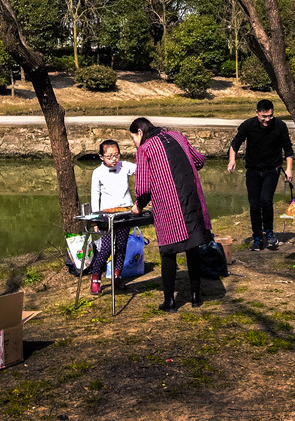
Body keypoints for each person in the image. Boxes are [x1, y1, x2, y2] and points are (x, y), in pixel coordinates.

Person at [129, 117, 213, 311]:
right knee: (192, 247)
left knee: (168, 251)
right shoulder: (177, 136)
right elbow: (199, 160)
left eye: (133, 138)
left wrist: (138, 206)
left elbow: (142, 188)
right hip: (191, 199)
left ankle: (170, 301)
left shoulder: (145, 148)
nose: (134, 143)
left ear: (139, 133)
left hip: (169, 205)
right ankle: (195, 296)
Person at [228, 99, 293, 251]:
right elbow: (235, 143)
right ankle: (257, 237)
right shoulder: (248, 125)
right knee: (254, 204)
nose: (267, 120)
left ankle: (269, 233)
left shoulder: (280, 126)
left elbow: (288, 149)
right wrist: (232, 160)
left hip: (272, 169)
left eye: (270, 116)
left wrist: (289, 169)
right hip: (253, 170)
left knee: (266, 200)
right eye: (264, 116)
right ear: (257, 113)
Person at [86, 139, 136, 296]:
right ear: (101, 157)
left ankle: (117, 276)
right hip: (107, 215)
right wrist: (95, 219)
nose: (114, 159)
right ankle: (96, 278)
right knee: (106, 247)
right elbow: (95, 197)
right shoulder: (97, 173)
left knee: (121, 246)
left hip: (126, 211)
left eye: (116, 155)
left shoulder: (125, 166)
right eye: (109, 156)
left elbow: (142, 170)